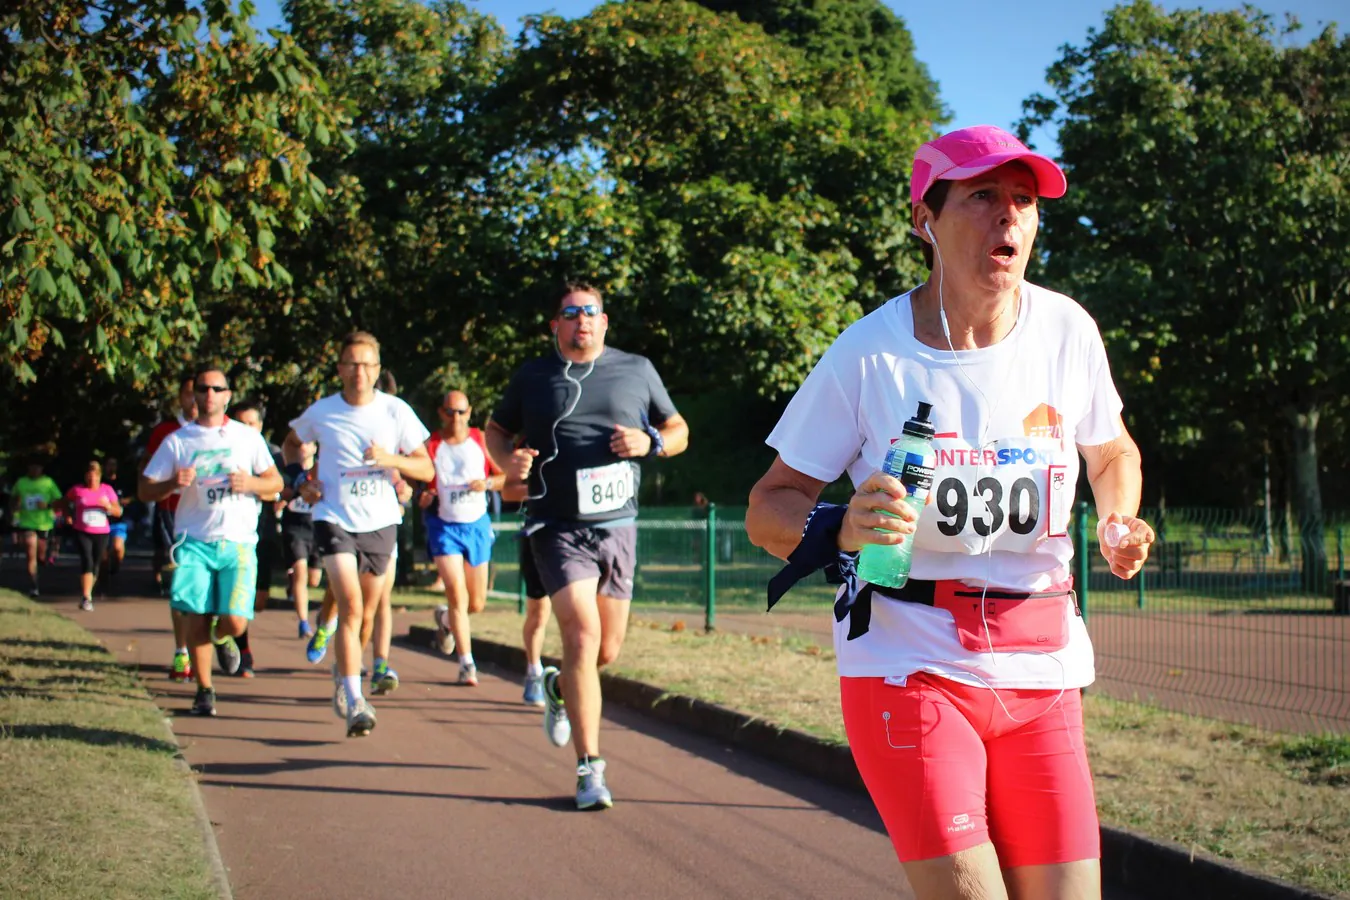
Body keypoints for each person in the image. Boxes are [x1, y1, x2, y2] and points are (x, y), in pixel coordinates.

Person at [745, 125, 1156, 900]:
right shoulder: (870, 354)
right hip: (909, 660)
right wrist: (837, 526)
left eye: (1024, 202)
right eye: (982, 198)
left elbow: (1111, 453)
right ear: (924, 220)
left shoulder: (1067, 330)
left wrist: (1117, 518)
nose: (1009, 218)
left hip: (1041, 660)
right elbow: (769, 505)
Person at [487, 281, 689, 810]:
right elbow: (496, 429)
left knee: (606, 651)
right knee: (580, 637)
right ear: (554, 324)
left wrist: (654, 443)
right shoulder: (533, 376)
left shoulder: (637, 369)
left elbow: (678, 428)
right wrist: (508, 463)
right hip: (556, 526)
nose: (582, 320)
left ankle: (559, 691)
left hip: (618, 526)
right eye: (571, 313)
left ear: (604, 321)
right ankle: (590, 769)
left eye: (591, 312)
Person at [283, 332, 432, 737]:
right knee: (350, 605)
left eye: (367, 364)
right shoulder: (323, 411)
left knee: (365, 612)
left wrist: (390, 458)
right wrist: (301, 480)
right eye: (351, 363)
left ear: (378, 370)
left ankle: (343, 674)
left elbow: (426, 469)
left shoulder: (395, 411)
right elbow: (292, 443)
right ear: (340, 369)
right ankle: (355, 699)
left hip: (381, 521)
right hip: (333, 517)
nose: (359, 372)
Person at [139, 366, 283, 717]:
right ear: (192, 395)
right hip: (193, 540)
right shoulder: (179, 440)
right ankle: (204, 690)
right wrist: (172, 482)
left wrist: (250, 484)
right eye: (202, 389)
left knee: (236, 620)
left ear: (227, 396)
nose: (208, 395)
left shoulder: (246, 438)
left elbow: (275, 483)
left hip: (238, 542)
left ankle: (223, 637)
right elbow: (144, 490)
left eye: (216, 389)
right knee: (194, 614)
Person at [425, 389, 506, 688]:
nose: (455, 418)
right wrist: (425, 494)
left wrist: (485, 483)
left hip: (476, 525)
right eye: (450, 412)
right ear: (441, 413)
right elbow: (421, 478)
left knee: (477, 603)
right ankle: (466, 664)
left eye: (460, 412)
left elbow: (505, 477)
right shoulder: (432, 445)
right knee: (457, 596)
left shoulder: (481, 441)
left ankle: (445, 620)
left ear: (469, 412)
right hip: (444, 526)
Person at [142, 375, 198, 681]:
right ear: (181, 397)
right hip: (173, 518)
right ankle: (182, 653)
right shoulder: (165, 432)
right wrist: (172, 483)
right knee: (181, 586)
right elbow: (147, 480)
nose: (197, 400)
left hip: (213, 523)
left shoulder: (225, 433)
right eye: (191, 394)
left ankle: (217, 633)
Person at [231, 399, 285, 678]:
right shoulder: (225, 452)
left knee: (258, 600)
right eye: (241, 423)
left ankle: (231, 633)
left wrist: (257, 485)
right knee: (237, 598)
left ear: (261, 426)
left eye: (252, 424)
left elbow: (278, 489)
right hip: (233, 535)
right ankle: (243, 651)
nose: (247, 429)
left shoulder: (272, 455)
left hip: (262, 532)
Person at [62, 459, 121, 610]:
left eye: (95, 475)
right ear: (85, 476)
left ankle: (87, 593)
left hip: (101, 532)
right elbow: (64, 501)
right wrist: (67, 515)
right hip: (82, 531)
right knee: (86, 560)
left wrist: (107, 505)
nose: (92, 478)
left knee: (96, 563)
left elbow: (118, 512)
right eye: (89, 475)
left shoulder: (107, 490)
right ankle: (86, 597)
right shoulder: (77, 490)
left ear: (100, 476)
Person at [281, 438, 324, 638]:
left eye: (307, 444)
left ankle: (293, 584)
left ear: (315, 448)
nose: (303, 448)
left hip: (317, 529)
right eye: (299, 445)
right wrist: (297, 490)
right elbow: (282, 492)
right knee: (301, 572)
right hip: (295, 528)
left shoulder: (325, 469)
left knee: (314, 580)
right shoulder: (291, 471)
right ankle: (304, 622)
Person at [9, 459, 62, 597]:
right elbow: (13, 499)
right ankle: (33, 586)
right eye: (32, 467)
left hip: (44, 524)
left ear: (41, 469)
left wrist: (48, 506)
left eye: (37, 467)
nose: (35, 470)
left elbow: (59, 502)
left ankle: (43, 564)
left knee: (41, 556)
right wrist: (14, 509)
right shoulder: (21, 482)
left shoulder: (48, 482)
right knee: (30, 550)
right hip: (27, 523)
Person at [102, 457, 131, 590]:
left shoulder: (123, 482)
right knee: (104, 555)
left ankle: (115, 568)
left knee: (117, 548)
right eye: (109, 465)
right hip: (101, 522)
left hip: (119, 521)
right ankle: (104, 579)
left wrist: (127, 500)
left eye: (114, 465)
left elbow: (136, 496)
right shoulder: (100, 483)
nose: (111, 467)